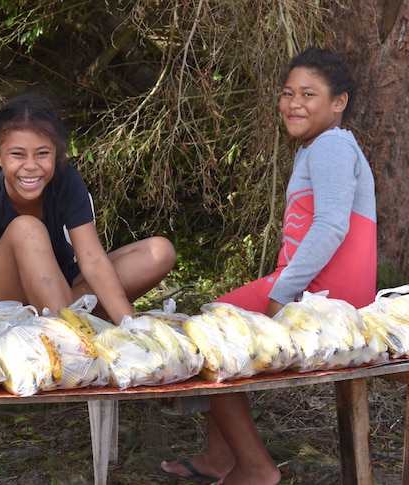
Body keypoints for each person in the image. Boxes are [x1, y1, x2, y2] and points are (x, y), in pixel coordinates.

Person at [159, 47, 377, 485]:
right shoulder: (318, 146)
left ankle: (256, 468)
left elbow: (332, 226)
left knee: (210, 335)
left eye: (309, 94)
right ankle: (222, 457)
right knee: (215, 322)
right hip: (313, 286)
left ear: (339, 103)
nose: (295, 103)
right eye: (288, 92)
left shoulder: (332, 146)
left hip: (323, 294)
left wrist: (281, 292)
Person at [0, 92, 176, 325]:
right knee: (27, 228)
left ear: (56, 153)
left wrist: (131, 328)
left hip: (54, 289)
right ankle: (73, 337)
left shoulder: (67, 182)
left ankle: (65, 325)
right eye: (18, 154)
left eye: (42, 153)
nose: (31, 166)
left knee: (159, 251)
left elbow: (93, 260)